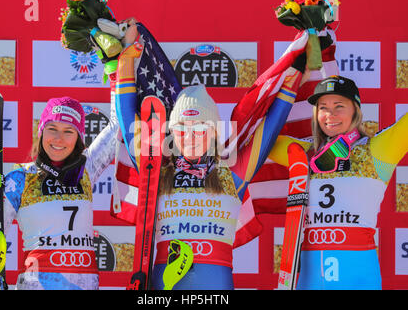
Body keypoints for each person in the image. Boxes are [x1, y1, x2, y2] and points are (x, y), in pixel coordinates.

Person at [114, 20, 309, 289]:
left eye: (201, 128)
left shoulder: (232, 172)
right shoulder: (155, 169)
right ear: (171, 131)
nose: (190, 136)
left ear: (215, 132)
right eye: (181, 128)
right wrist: (124, 65)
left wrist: (292, 81)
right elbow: (128, 121)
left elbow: (270, 129)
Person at [268, 74, 408, 289]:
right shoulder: (304, 153)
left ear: (356, 111)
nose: (330, 114)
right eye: (323, 107)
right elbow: (260, 139)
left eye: (339, 106)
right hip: (310, 278)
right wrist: (296, 68)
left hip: (358, 275)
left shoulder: (377, 149)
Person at [0, 95, 119, 290]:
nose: (58, 138)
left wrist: (115, 72)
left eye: (68, 131)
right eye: (52, 129)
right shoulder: (21, 177)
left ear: (79, 137)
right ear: (41, 131)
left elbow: (117, 127)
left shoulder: (86, 168)